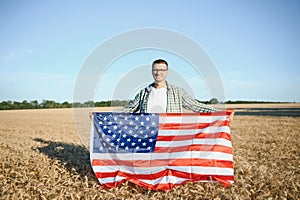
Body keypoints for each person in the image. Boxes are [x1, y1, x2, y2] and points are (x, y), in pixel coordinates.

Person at [123, 59, 230, 116]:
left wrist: (220, 113)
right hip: (149, 135)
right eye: (155, 70)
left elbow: (195, 106)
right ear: (152, 71)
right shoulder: (144, 93)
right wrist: (107, 117)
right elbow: (128, 110)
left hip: (171, 135)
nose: (158, 73)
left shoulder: (178, 92)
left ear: (167, 72)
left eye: (162, 70)